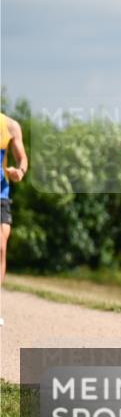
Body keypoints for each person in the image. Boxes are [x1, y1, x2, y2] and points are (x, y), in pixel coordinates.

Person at [1, 113, 28, 325]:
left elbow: (22, 159)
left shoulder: (10, 126)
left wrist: (20, 171)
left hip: (1, 195)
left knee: (1, 247)